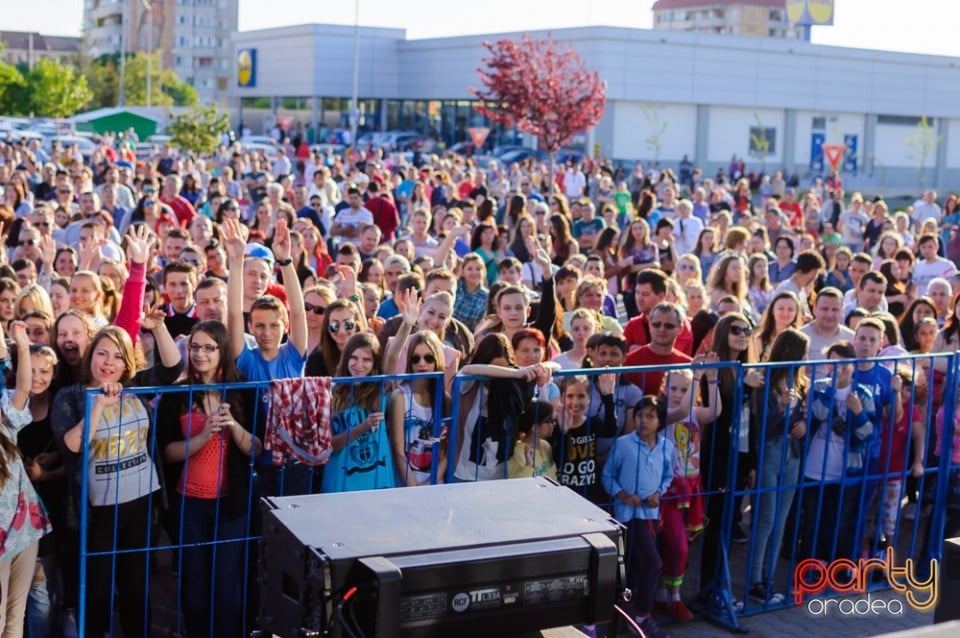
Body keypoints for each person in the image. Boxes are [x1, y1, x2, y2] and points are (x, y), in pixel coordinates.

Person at [51, 320, 182, 638]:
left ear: (127, 362)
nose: (109, 362)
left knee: (136, 588)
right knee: (97, 593)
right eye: (102, 353)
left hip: (141, 503)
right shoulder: (70, 397)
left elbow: (171, 368)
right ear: (90, 357)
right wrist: (97, 407)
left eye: (118, 356)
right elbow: (71, 447)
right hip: (99, 511)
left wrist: (159, 327)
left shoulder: (136, 386)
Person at [158, 321, 260, 638]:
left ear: (222, 351)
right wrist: (203, 436)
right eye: (195, 347)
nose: (200, 354)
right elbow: (166, 452)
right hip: (189, 504)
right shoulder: (177, 393)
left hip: (232, 505)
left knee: (228, 585)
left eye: (208, 347)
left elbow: (257, 447)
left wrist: (234, 428)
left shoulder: (243, 389)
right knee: (194, 584)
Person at [601, 396, 674, 638]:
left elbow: (667, 476)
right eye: (640, 416)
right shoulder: (623, 444)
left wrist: (658, 493)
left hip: (650, 514)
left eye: (650, 416)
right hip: (626, 515)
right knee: (651, 563)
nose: (643, 421)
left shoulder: (666, 447)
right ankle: (641, 614)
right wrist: (621, 494)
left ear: (660, 421)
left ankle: (628, 615)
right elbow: (607, 475)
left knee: (638, 566)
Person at [801, 341, 879, 562]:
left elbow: (869, 433)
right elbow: (817, 413)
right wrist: (831, 390)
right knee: (812, 521)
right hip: (814, 468)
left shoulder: (862, 394)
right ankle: (808, 568)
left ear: (853, 365)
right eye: (834, 363)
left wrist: (859, 413)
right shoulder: (818, 387)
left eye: (845, 363)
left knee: (839, 522)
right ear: (827, 366)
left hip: (846, 470)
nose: (840, 368)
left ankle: (835, 570)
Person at [746, 329, 809, 604]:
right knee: (766, 519)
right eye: (803, 353)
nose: (807, 358)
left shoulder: (801, 384)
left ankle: (769, 578)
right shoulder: (766, 382)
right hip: (770, 453)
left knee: (781, 520)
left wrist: (804, 424)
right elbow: (761, 427)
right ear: (791, 354)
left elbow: (803, 417)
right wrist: (781, 408)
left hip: (792, 456)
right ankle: (754, 580)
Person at [655, 365, 721, 623]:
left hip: (691, 488)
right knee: (678, 546)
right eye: (673, 388)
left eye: (684, 389)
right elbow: (681, 410)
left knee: (679, 546)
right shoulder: (663, 413)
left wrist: (712, 379)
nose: (679, 394)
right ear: (664, 389)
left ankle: (663, 594)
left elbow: (714, 411)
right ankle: (675, 598)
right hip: (669, 490)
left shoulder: (694, 411)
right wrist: (695, 375)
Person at [1, 323, 52, 638]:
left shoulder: (5, 419)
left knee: (14, 619)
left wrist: (21, 343)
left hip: (24, 532)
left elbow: (22, 389)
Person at [388, 330, 449, 487]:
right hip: (405, 485)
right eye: (416, 359)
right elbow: (397, 449)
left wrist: (431, 484)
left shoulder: (445, 399)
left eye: (428, 358)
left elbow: (446, 451)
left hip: (435, 486)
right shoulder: (400, 396)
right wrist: (413, 487)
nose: (422, 363)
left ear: (437, 360)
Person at [551, 373, 618, 503]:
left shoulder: (592, 423)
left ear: (589, 398)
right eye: (570, 396)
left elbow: (611, 431)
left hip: (589, 494)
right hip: (562, 494)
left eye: (581, 396)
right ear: (562, 398)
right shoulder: (555, 425)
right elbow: (558, 459)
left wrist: (608, 397)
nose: (575, 402)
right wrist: (564, 432)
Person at [623, 302, 693, 395]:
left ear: (680, 329)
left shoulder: (688, 365)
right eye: (656, 324)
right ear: (650, 326)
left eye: (669, 326)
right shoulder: (630, 362)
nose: (662, 329)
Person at [800, 287, 855, 364]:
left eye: (835, 310)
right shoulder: (800, 337)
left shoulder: (852, 338)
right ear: (814, 309)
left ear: (842, 311)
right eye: (824, 309)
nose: (829, 315)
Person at [507, 399, 558, 480]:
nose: (554, 424)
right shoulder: (516, 453)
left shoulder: (545, 445)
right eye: (550, 420)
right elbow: (515, 485)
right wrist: (529, 466)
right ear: (535, 428)